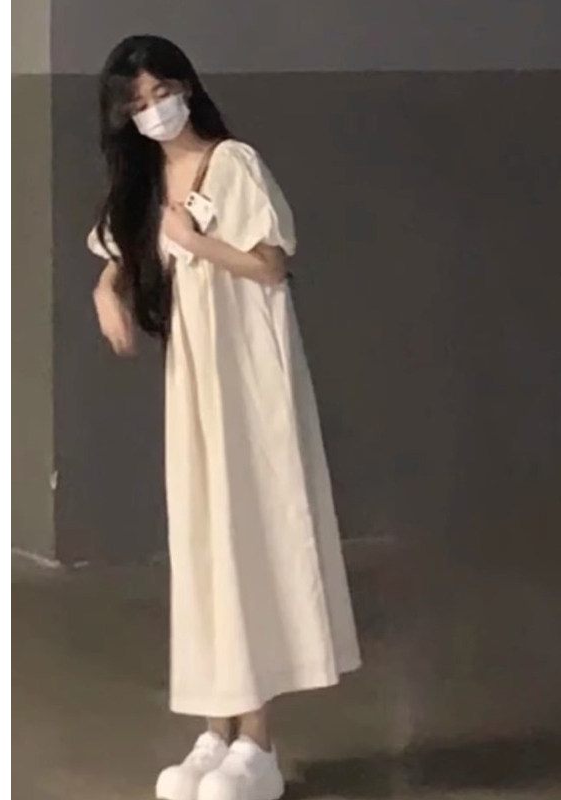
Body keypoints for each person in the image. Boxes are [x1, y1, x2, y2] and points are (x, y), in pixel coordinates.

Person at [87, 35, 361, 800]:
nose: (155, 112)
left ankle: (257, 742)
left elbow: (271, 264)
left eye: (162, 93)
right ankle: (216, 728)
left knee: (248, 537)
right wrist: (107, 292)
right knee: (204, 541)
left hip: (248, 380)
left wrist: (196, 242)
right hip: (195, 386)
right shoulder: (148, 184)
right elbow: (121, 258)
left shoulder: (232, 163)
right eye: (138, 104)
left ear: (186, 87)